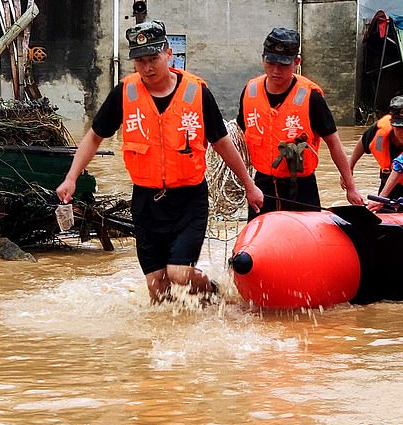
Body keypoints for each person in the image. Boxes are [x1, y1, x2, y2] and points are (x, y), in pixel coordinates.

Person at [56, 21, 263, 304]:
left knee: (178, 272)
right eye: (140, 61)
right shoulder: (125, 94)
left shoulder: (197, 93)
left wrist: (249, 185)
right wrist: (71, 177)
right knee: (158, 291)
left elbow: (222, 143)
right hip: (146, 202)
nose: (148, 67)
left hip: (189, 200)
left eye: (153, 58)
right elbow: (94, 137)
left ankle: (213, 293)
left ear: (169, 54)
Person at [238, 27, 363, 219]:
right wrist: (246, 183)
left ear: (297, 62)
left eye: (284, 65)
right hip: (263, 186)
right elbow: (237, 136)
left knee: (307, 243)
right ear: (262, 58)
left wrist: (351, 187)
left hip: (301, 188)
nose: (276, 70)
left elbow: (334, 144)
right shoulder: (250, 92)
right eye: (270, 63)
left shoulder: (311, 98)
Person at [349, 95, 403, 202]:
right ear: (391, 123)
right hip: (388, 182)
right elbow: (363, 142)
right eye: (399, 127)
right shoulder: (380, 131)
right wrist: (350, 168)